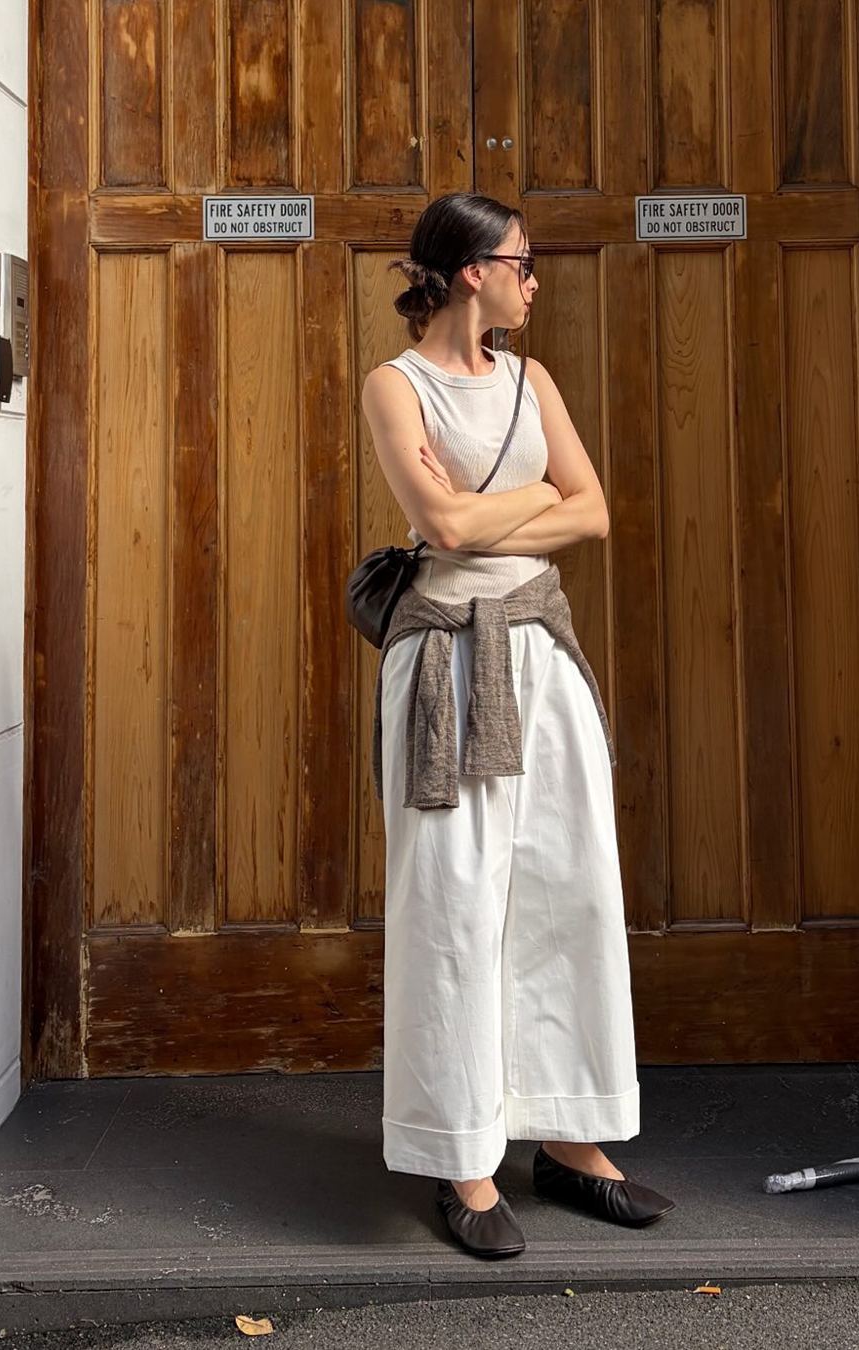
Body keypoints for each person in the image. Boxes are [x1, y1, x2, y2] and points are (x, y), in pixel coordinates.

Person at [361, 192, 675, 1259]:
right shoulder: (396, 386)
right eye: (522, 263)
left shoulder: (533, 381)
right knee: (453, 902)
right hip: (447, 664)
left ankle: (572, 1138)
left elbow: (594, 510)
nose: (534, 280)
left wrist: (502, 508)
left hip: (542, 654)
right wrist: (535, 497)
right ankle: (462, 1155)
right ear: (471, 271)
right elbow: (442, 528)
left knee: (565, 886)